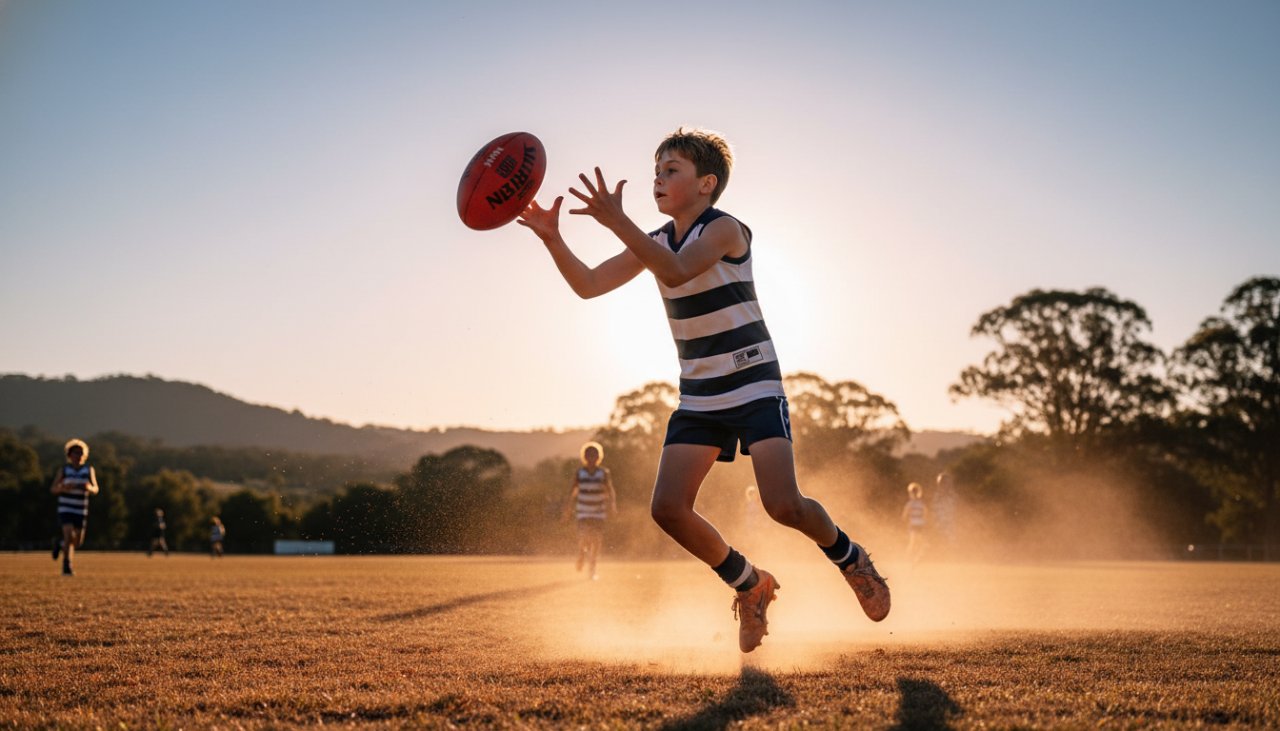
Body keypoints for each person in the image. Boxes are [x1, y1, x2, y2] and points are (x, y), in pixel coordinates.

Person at [518, 127, 890, 652]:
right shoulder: (656, 240)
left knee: (783, 505)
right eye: (657, 171)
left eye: (672, 170)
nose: (658, 179)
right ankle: (750, 582)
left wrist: (618, 221)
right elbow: (588, 286)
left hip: (753, 381)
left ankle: (852, 559)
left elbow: (674, 273)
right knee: (668, 509)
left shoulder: (725, 230)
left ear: (706, 183)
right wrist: (552, 238)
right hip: (699, 393)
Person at [563, 441, 617, 580]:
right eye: (589, 454)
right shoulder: (579, 473)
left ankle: (592, 567)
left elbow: (610, 490)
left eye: (594, 454)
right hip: (583, 511)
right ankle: (581, 554)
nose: (592, 457)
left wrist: (612, 505)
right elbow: (572, 491)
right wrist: (567, 508)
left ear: (598, 456)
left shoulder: (603, 473)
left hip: (599, 512)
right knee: (584, 537)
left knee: (597, 541)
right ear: (585, 456)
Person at [50, 438, 98, 576]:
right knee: (68, 533)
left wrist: (88, 487)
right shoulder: (64, 470)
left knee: (76, 542)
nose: (79, 456)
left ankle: (59, 545)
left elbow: (96, 488)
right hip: (66, 508)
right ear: (70, 455)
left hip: (80, 509)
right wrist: (63, 488)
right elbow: (53, 489)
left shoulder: (88, 469)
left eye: (81, 453)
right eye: (76, 453)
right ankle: (67, 565)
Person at [902, 482, 928, 565]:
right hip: (918, 525)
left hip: (915, 525)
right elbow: (925, 514)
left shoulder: (910, 504)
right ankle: (912, 559)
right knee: (917, 543)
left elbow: (904, 516)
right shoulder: (921, 504)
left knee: (914, 542)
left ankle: (911, 559)